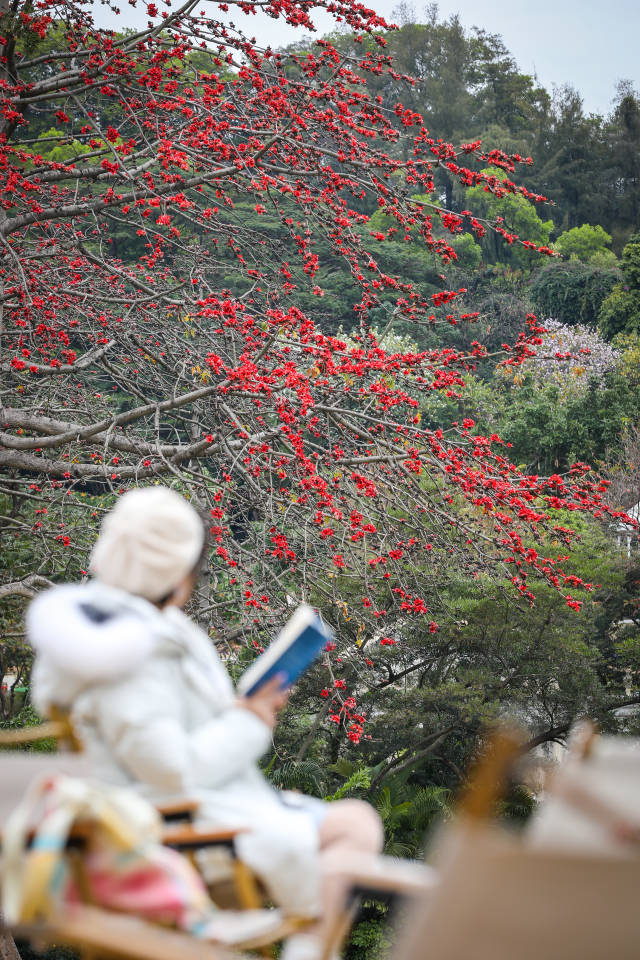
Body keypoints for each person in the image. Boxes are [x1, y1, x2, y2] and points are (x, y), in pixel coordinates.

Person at [27, 487, 383, 960]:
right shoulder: (133, 657)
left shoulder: (98, 632)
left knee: (347, 822)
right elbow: (171, 770)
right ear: (176, 573)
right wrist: (251, 720)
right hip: (176, 829)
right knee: (355, 827)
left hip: (165, 812)